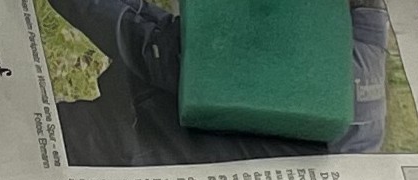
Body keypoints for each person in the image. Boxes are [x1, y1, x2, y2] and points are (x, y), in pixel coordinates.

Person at [49, 0, 389, 167]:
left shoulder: (279, 78)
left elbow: (142, 40)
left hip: (146, 140)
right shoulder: (364, 43)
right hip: (164, 128)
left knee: (43, 141)